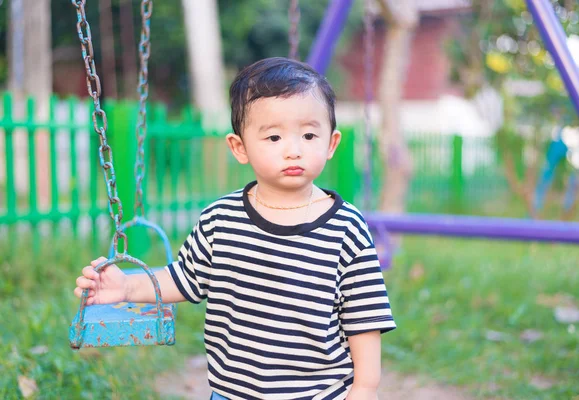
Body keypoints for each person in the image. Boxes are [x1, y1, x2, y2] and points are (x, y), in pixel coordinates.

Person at [75, 57, 396, 400]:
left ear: (330, 144)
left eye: (308, 134)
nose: (293, 150)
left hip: (318, 393)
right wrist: (126, 287)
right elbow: (185, 278)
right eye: (273, 137)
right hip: (233, 393)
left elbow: (364, 317)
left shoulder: (346, 228)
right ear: (239, 148)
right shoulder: (220, 219)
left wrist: (365, 387)